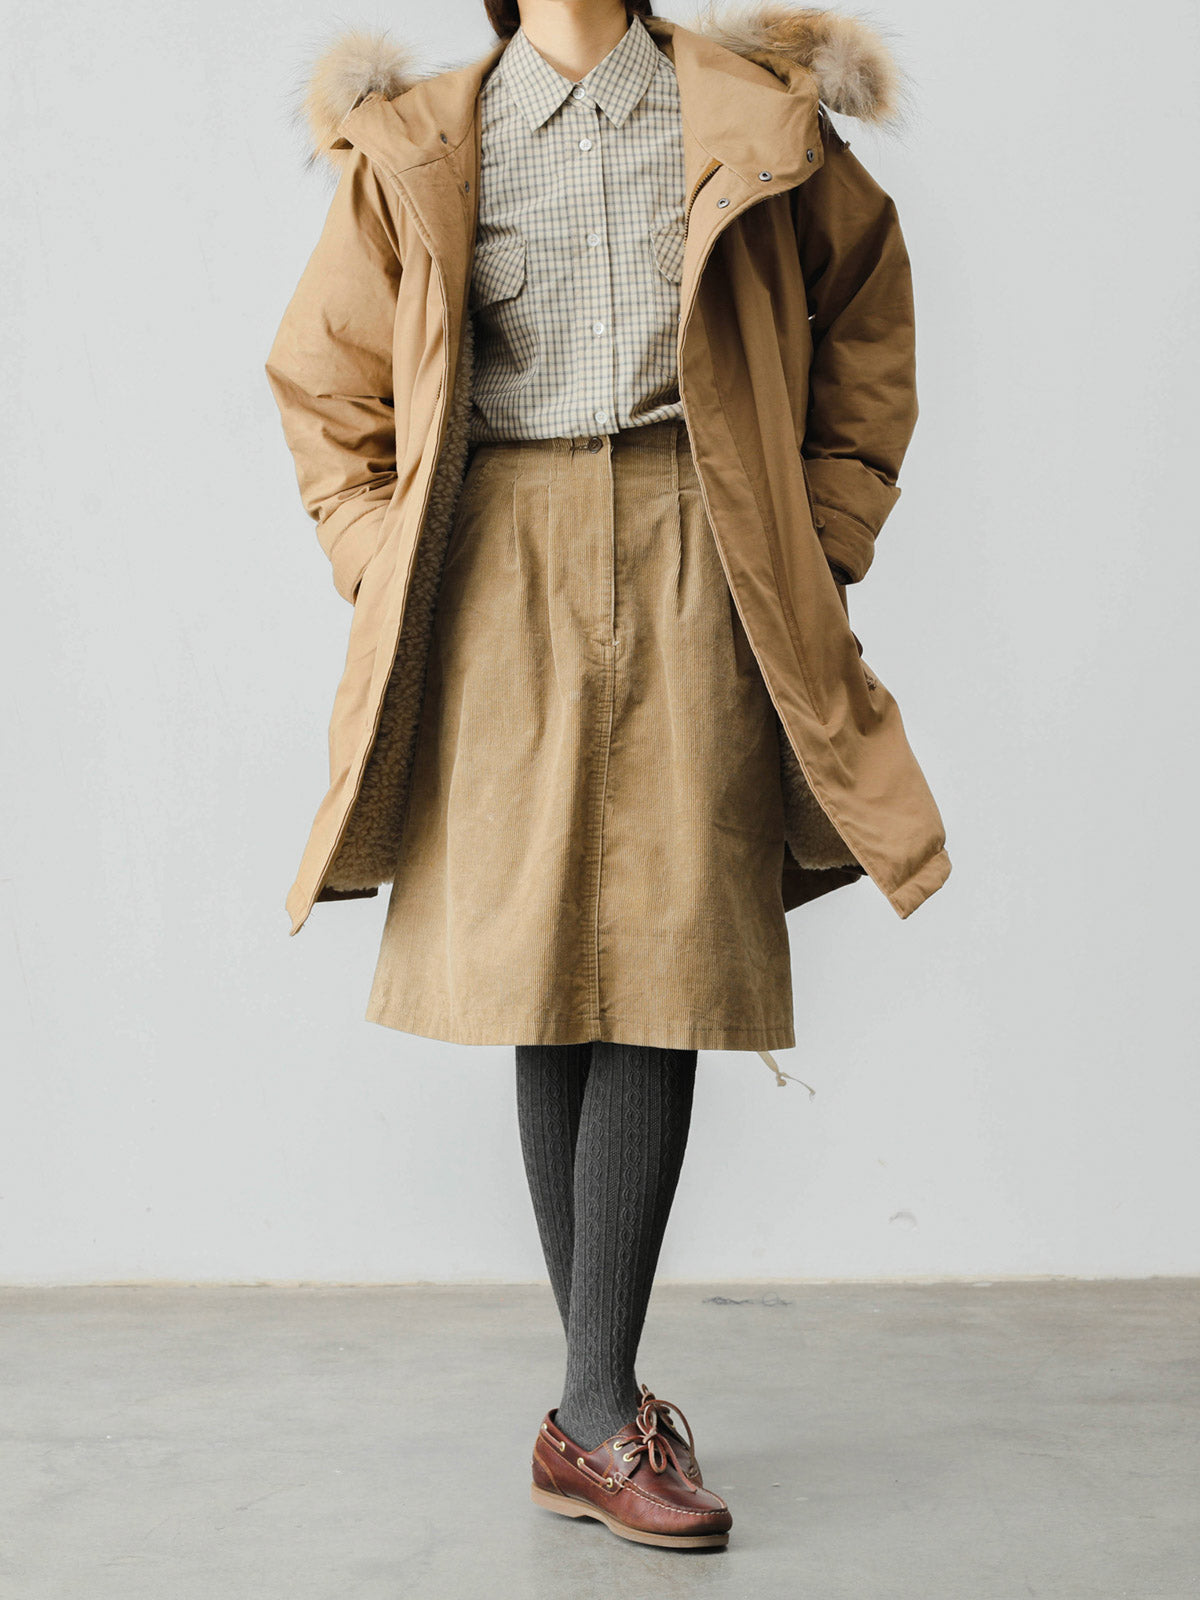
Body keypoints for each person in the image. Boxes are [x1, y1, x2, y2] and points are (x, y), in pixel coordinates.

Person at [266, 0, 950, 1552]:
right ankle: (597, 1414)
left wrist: (824, 538)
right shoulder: (422, 138)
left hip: (702, 545)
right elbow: (324, 379)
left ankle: (591, 1416)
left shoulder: (757, 115)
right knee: (540, 962)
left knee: (664, 951)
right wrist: (379, 560)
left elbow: (870, 317)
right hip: (492, 563)